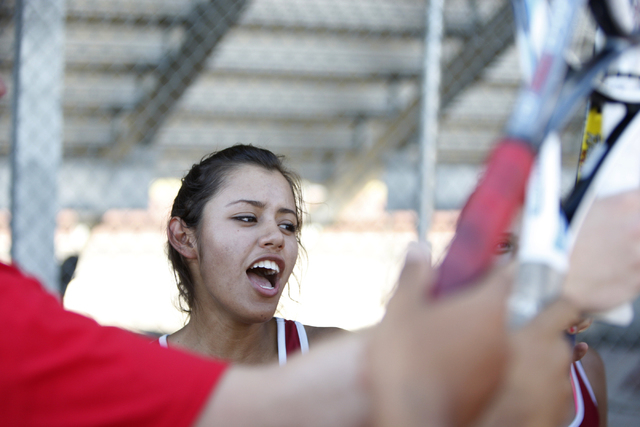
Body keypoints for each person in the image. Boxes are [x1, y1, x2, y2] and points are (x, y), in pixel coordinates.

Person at [161, 145, 342, 364]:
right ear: (183, 237)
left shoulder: (337, 358)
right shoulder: (135, 376)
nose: (276, 237)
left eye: (287, 225)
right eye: (247, 218)